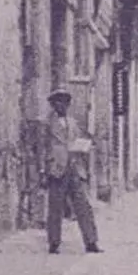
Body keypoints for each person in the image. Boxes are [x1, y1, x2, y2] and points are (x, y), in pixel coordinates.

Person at [44, 91, 102, 255]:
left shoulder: (73, 123)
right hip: (57, 168)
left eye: (64, 103)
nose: (61, 106)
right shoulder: (48, 124)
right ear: (53, 105)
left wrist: (83, 147)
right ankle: (54, 242)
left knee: (83, 206)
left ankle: (91, 241)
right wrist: (45, 169)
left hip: (75, 168)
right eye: (57, 103)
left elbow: (77, 140)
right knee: (55, 207)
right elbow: (42, 148)